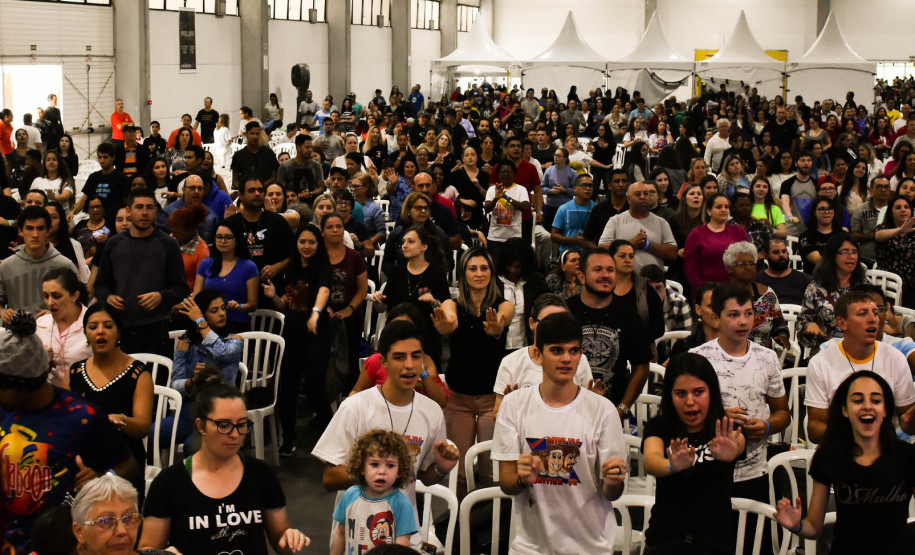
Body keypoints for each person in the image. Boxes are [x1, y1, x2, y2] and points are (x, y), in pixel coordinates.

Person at [313, 320, 460, 550]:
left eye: (416, 356)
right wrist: (378, 471)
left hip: (405, 537)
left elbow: (422, 478)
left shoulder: (431, 412)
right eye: (400, 357)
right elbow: (330, 478)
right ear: (383, 362)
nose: (410, 366)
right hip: (358, 537)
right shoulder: (355, 407)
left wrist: (441, 467)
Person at [0, 311, 138, 554]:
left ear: (21, 383)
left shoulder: (82, 416)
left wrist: (103, 476)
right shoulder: (4, 409)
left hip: (56, 542)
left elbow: (129, 465)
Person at [492, 310, 626, 552]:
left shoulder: (603, 410)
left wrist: (615, 481)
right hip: (530, 546)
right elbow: (507, 483)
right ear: (537, 354)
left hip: (590, 545)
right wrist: (522, 478)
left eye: (573, 351)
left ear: (580, 355)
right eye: (557, 350)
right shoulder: (513, 405)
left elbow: (611, 492)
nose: (566, 358)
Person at [140, 383, 310, 555]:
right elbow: (148, 549)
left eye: (242, 424)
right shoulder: (168, 483)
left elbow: (279, 537)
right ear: (201, 426)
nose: (235, 434)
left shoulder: (261, 475)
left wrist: (289, 538)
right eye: (224, 425)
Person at [779, 372, 915, 554]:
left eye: (876, 400)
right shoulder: (828, 456)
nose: (867, 406)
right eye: (858, 400)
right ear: (844, 410)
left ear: (885, 410)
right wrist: (796, 526)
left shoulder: (907, 456)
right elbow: (813, 527)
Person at [642, 352, 746, 554]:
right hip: (664, 540)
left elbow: (738, 442)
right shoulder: (660, 426)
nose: (690, 401)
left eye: (699, 392)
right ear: (669, 395)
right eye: (681, 393)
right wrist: (672, 465)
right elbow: (651, 461)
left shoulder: (725, 428)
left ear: (712, 392)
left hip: (713, 542)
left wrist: (732, 451)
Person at [431, 247, 514, 488]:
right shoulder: (452, 304)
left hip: (492, 399)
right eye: (473, 268)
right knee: (459, 471)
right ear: (463, 274)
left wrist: (498, 327)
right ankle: (457, 522)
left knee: (490, 471)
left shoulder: (504, 305)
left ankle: (489, 523)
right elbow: (450, 317)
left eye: (484, 268)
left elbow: (504, 316)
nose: (479, 273)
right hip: (459, 399)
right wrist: (447, 327)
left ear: (492, 272)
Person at [64, 303, 153, 499]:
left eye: (108, 326)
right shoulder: (74, 372)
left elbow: (143, 426)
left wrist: (120, 420)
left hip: (124, 463)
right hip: (84, 462)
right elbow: (63, 421)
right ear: (86, 333)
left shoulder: (138, 373)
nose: (100, 332)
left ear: (119, 332)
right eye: (93, 327)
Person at [805, 289, 915, 446]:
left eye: (876, 313)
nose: (873, 319)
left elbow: (907, 425)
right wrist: (859, 433)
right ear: (842, 323)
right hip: (842, 450)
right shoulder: (821, 363)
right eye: (863, 313)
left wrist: (910, 420)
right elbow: (814, 430)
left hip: (886, 450)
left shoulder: (896, 358)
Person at [94, 188, 189, 358]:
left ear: (155, 211)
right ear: (129, 210)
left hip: (156, 333)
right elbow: (100, 285)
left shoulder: (168, 244)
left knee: (155, 384)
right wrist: (108, 297)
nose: (144, 213)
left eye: (149, 207)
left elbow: (181, 289)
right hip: (120, 332)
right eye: (139, 207)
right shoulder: (114, 244)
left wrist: (162, 296)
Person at [262, 224, 333, 450]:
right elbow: (287, 304)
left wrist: (315, 313)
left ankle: (331, 437)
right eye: (302, 242)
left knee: (315, 387)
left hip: (316, 334)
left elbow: (323, 291)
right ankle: (288, 439)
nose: (306, 246)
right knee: (287, 388)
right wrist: (274, 297)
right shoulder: (292, 268)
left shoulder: (323, 267)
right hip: (292, 333)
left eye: (311, 242)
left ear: (318, 244)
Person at [567, 248, 651, 415]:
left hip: (611, 412)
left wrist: (622, 409)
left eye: (610, 270)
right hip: (566, 409)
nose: (605, 275)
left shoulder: (629, 315)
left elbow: (641, 367)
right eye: (598, 269)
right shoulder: (565, 311)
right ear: (581, 277)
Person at [493, 293, 598, 416]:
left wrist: (593, 402)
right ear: (532, 323)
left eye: (561, 322)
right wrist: (510, 406)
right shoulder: (511, 362)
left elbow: (587, 410)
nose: (555, 328)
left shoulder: (578, 359)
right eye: (547, 321)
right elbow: (497, 416)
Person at [168, 289, 243, 448]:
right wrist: (192, 381)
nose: (222, 314)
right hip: (190, 409)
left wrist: (200, 321)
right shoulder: (185, 343)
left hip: (220, 410)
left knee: (191, 446)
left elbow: (221, 352)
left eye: (223, 308)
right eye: (214, 310)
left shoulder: (234, 340)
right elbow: (175, 384)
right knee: (151, 434)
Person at [330, 430, 418, 554]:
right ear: (361, 467)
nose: (382, 471)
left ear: (400, 471)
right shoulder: (350, 495)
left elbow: (401, 548)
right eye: (375, 464)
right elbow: (340, 533)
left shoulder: (402, 504)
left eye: (390, 465)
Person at [348, 303, 449, 408]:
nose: (401, 333)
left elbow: (442, 402)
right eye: (395, 328)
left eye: (407, 328)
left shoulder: (425, 361)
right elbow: (357, 391)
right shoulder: (376, 360)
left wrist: (422, 373)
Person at [0, 206, 77, 322]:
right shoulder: (6, 266)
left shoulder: (65, 265)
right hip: (17, 335)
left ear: (48, 231)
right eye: (29, 228)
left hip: (56, 333)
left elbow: (79, 304)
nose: (35, 235)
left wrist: (55, 313)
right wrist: (2, 312)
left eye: (40, 228)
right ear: (20, 231)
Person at [798, 233, 869, 354]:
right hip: (826, 354)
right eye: (845, 251)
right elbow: (803, 320)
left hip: (861, 352)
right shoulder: (816, 288)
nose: (851, 256)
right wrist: (808, 325)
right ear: (832, 256)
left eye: (854, 252)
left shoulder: (865, 286)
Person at [225, 176, 295, 287]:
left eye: (260, 190)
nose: (257, 194)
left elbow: (293, 254)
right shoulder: (230, 224)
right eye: (251, 190)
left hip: (271, 289)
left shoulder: (277, 221)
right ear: (241, 196)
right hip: (238, 288)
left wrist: (277, 267)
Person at [599, 181, 678, 272]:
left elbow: (673, 253)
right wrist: (630, 244)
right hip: (622, 282)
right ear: (628, 199)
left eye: (646, 194)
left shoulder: (661, 222)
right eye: (637, 194)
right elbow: (602, 248)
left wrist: (647, 245)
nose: (642, 197)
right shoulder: (615, 220)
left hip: (653, 282)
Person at [194, 223, 258, 332]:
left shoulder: (248, 266)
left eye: (228, 237)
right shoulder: (206, 264)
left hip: (237, 323)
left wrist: (239, 306)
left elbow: (252, 304)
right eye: (219, 237)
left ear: (237, 240)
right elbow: (196, 297)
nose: (223, 241)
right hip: (209, 325)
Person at [683, 193, 751, 291]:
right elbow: (690, 269)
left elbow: (749, 260)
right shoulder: (696, 233)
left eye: (726, 207)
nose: (724, 210)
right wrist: (704, 290)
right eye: (719, 207)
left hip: (736, 290)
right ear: (709, 211)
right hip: (707, 292)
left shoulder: (738, 231)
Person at [35, 267, 91, 386]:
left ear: (74, 296)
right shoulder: (40, 325)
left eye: (56, 296)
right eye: (46, 296)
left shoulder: (93, 324)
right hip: (49, 395)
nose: (50, 302)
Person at [607, 240, 665, 344]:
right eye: (622, 256)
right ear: (611, 259)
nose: (627, 260)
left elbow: (659, 328)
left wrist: (634, 338)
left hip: (639, 347)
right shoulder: (603, 288)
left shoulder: (646, 289)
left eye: (631, 256)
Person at [73, 142, 129, 225]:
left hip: (114, 220)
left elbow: (127, 201)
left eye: (105, 157)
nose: (102, 160)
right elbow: (83, 200)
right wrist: (72, 213)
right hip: (96, 220)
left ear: (113, 158)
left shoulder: (121, 178)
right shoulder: (93, 177)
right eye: (100, 157)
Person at [874, 195, 915, 309]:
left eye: (906, 207)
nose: (903, 210)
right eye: (898, 207)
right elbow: (878, 236)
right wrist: (900, 230)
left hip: (912, 286)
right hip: (888, 285)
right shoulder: (882, 228)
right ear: (891, 212)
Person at [484, 160, 531, 258]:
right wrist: (496, 199)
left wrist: (506, 197)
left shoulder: (521, 189)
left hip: (514, 238)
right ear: (499, 174)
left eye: (508, 172)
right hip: (495, 238)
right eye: (503, 172)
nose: (506, 174)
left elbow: (525, 207)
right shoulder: (492, 190)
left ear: (514, 175)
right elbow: (487, 209)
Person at [755, 237, 812, 306]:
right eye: (776, 252)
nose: (781, 255)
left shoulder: (804, 279)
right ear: (766, 255)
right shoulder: (758, 281)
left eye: (784, 251)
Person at [851, 175, 892, 265]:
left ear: (889, 190)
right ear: (871, 189)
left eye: (886, 187)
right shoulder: (861, 210)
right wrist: (872, 236)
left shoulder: (895, 208)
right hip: (866, 258)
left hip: (891, 258)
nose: (883, 190)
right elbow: (853, 234)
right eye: (879, 186)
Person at [799, 196, 842, 275]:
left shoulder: (842, 235)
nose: (826, 212)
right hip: (814, 279)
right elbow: (817, 260)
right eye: (822, 209)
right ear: (814, 213)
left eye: (829, 209)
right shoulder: (805, 237)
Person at [231, 122, 278, 191]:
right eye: (252, 133)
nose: (255, 137)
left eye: (257, 134)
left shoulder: (268, 153)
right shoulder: (238, 155)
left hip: (265, 191)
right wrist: (245, 190)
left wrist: (260, 187)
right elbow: (235, 181)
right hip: (246, 193)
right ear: (246, 134)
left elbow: (274, 177)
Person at [780, 151, 817, 236]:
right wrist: (790, 216)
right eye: (803, 160)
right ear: (796, 163)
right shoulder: (787, 183)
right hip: (792, 231)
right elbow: (785, 202)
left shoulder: (816, 183)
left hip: (811, 230)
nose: (806, 163)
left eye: (808, 160)